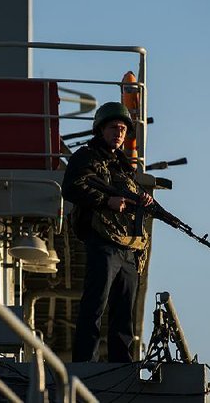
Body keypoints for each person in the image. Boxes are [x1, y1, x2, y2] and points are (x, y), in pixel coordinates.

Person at [62, 101, 153, 363]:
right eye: (114, 127)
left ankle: (121, 368)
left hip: (127, 248)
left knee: (125, 313)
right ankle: (84, 366)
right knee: (95, 305)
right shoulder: (86, 157)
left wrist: (141, 200)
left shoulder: (125, 167)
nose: (119, 133)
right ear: (101, 129)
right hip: (102, 242)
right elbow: (71, 187)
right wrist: (105, 200)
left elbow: (129, 198)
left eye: (123, 128)